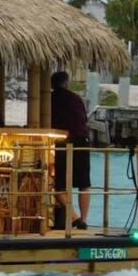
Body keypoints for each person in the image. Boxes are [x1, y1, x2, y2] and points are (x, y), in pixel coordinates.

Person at [51, 71, 90, 230]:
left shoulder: (51, 99)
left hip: (63, 141)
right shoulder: (76, 98)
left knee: (56, 184)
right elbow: (84, 119)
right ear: (66, 83)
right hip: (82, 140)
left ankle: (74, 216)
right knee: (84, 184)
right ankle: (84, 219)